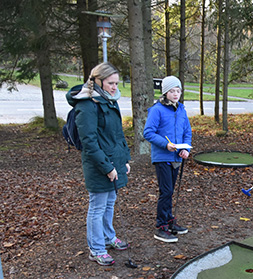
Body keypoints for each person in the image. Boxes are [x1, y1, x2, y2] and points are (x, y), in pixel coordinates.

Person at [66, 62, 131, 266]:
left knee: (110, 201)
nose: (115, 87)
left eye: (117, 83)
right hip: (98, 165)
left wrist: (124, 160)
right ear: (98, 81)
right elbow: (90, 143)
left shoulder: (110, 100)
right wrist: (107, 167)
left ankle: (108, 237)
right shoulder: (86, 105)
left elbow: (117, 134)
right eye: (111, 83)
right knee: (97, 206)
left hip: (113, 161)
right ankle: (96, 248)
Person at [143, 76, 192, 243]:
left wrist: (185, 148)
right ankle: (161, 226)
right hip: (163, 156)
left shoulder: (181, 110)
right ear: (165, 92)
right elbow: (148, 132)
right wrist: (166, 145)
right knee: (166, 191)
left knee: (171, 190)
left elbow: (187, 132)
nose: (176, 94)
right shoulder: (157, 110)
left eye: (178, 91)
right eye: (172, 91)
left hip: (176, 157)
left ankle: (170, 220)